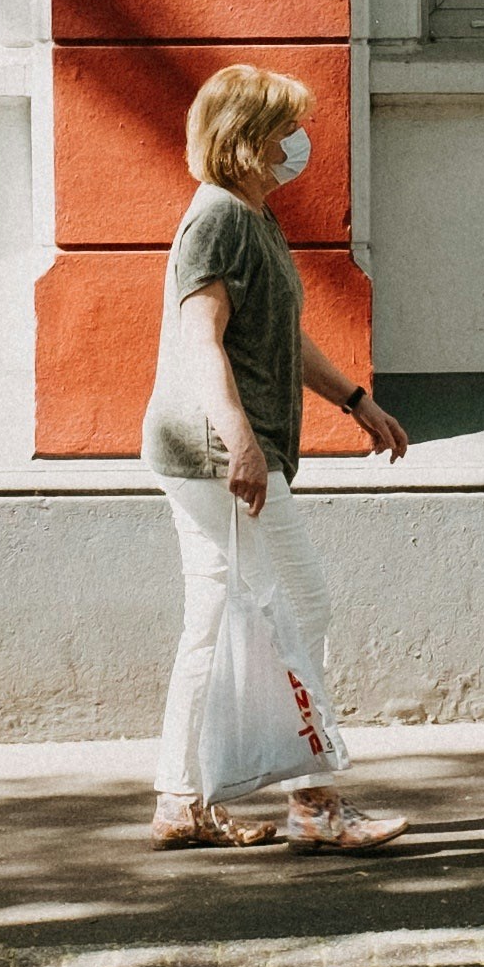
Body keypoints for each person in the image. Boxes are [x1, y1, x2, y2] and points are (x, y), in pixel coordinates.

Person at [142, 63, 411, 853]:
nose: (300, 144)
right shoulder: (220, 218)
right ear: (247, 141)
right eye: (285, 129)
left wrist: (355, 401)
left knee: (215, 617)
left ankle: (180, 800)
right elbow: (204, 340)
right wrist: (243, 445)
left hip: (207, 449)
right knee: (302, 604)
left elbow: (279, 335)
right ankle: (315, 803)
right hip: (213, 451)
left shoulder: (253, 216)